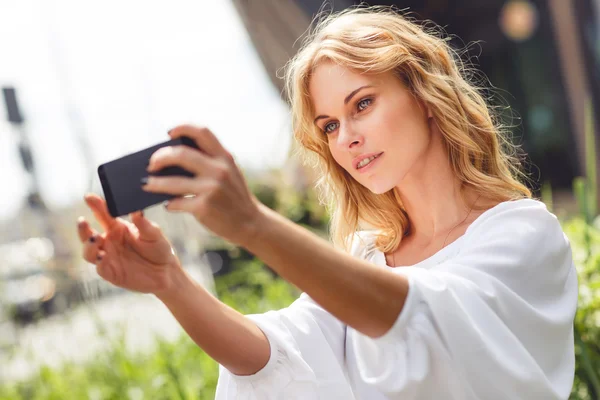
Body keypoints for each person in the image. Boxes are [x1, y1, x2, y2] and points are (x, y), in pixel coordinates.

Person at [76, 6, 578, 400]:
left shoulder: (522, 234)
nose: (348, 139)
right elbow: (278, 357)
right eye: (330, 126)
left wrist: (253, 223)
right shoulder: (366, 259)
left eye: (362, 103)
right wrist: (170, 282)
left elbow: (427, 322)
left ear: (425, 95)